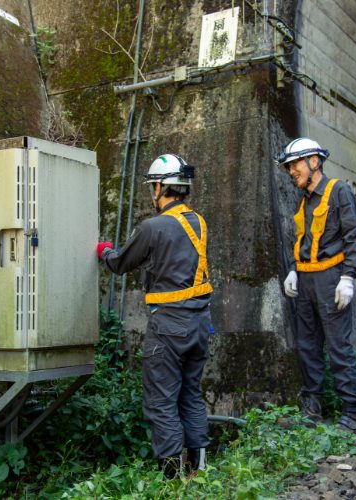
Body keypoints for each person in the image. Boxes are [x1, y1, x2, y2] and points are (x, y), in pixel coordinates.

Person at [96, 153, 213, 478]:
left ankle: (171, 478)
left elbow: (120, 263)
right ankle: (199, 469)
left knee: (161, 401)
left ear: (161, 187)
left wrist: (105, 251)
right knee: (191, 394)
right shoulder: (199, 222)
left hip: (169, 327)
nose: (152, 192)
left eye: (153, 186)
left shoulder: (153, 227)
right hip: (200, 323)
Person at [276, 138, 356, 432]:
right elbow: (302, 240)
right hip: (305, 280)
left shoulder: (338, 191)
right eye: (289, 167)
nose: (291, 171)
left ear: (314, 161)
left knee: (338, 345)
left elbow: (353, 236)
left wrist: (348, 277)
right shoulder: (305, 199)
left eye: (295, 165)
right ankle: (313, 407)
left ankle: (352, 411)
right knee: (308, 345)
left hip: (330, 278)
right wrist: (293, 270)